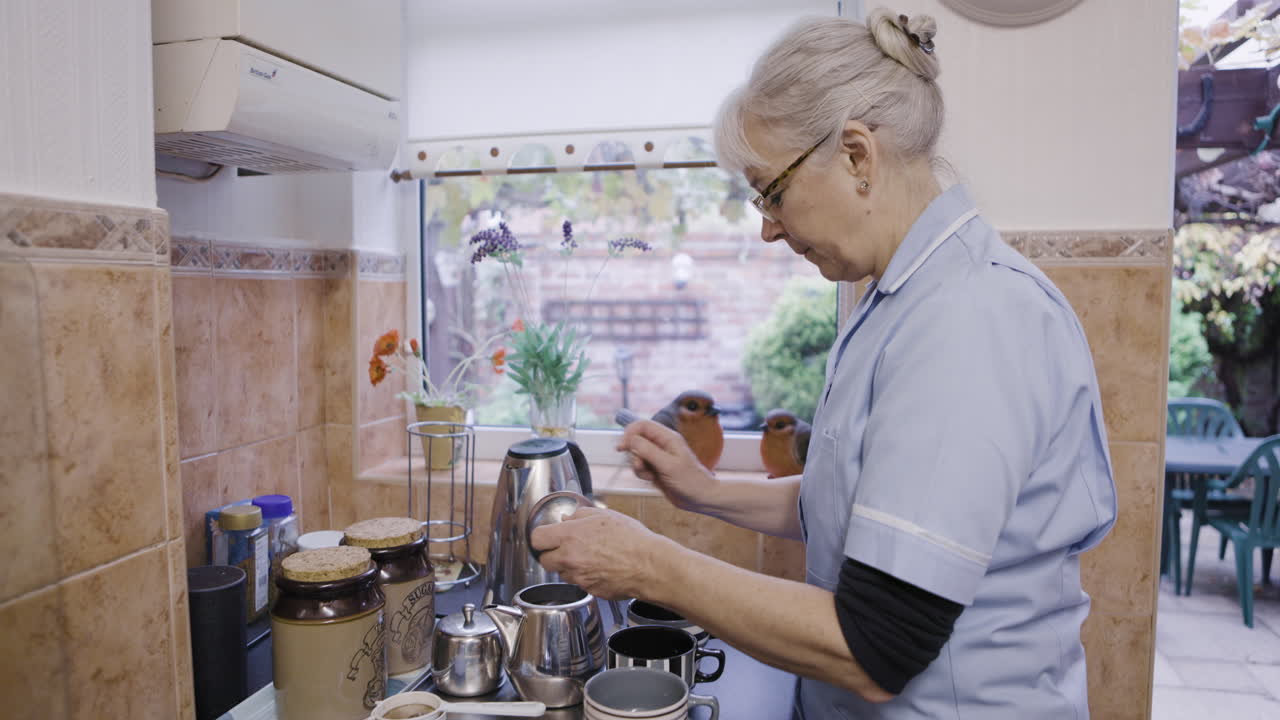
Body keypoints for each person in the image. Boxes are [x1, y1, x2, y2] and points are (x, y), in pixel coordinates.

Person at [531, 8, 1118, 718]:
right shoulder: (896, 298)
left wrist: (652, 564)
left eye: (771, 191)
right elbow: (863, 507)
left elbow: (878, 648)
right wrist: (704, 490)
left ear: (857, 157)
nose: (768, 226)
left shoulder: (969, 320)